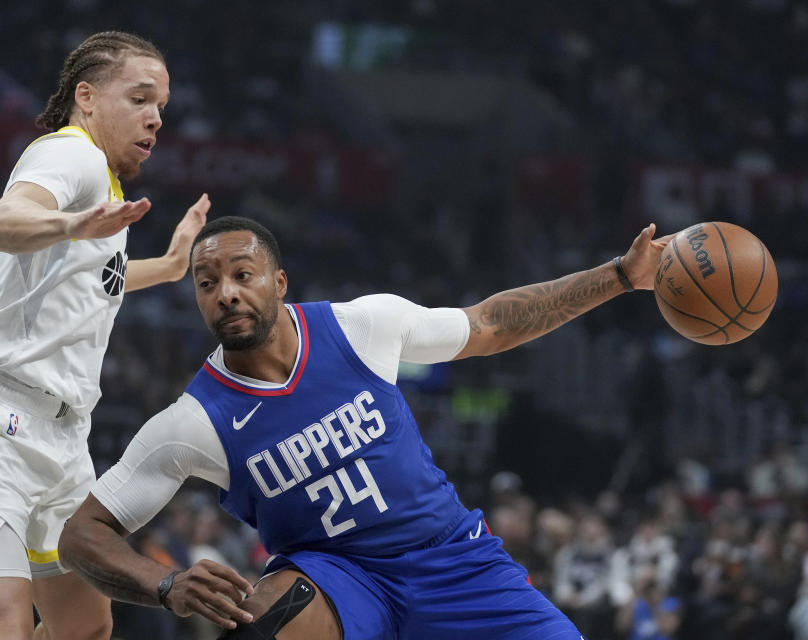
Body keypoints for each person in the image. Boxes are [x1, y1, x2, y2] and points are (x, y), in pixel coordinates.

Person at [57, 215, 670, 639]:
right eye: (208, 283)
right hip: (338, 580)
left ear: (279, 281)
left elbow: (491, 325)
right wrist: (164, 583)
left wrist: (617, 275)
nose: (226, 293)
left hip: (453, 561)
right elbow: (81, 534)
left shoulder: (362, 326)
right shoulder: (194, 421)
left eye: (243, 274)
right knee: (264, 617)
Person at [0, 31, 209, 639]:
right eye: (140, 99)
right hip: (9, 422)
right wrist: (66, 222)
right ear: (86, 97)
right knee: (10, 619)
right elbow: (10, 219)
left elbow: (97, 278)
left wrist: (169, 267)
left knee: (85, 627)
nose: (155, 119)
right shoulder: (71, 156)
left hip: (65, 441)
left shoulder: (105, 188)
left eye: (162, 107)